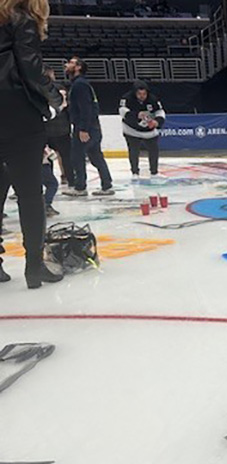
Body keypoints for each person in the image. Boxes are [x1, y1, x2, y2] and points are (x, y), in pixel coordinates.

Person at [0, 0, 64, 288]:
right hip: (19, 116)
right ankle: (34, 267)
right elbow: (30, 67)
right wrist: (55, 98)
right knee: (29, 194)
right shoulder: (21, 18)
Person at [64, 56, 114, 196]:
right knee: (96, 156)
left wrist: (83, 129)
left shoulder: (79, 85)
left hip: (86, 128)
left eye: (71, 63)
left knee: (77, 156)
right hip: (93, 127)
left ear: (78, 67)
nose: (67, 65)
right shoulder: (82, 84)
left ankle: (80, 187)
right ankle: (107, 184)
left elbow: (86, 108)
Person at [119, 79, 166, 179]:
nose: (142, 96)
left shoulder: (153, 99)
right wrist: (136, 115)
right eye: (139, 93)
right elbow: (122, 111)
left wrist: (157, 122)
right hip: (131, 130)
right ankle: (135, 173)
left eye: (144, 93)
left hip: (149, 131)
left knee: (154, 150)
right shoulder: (127, 98)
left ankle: (154, 172)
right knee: (134, 151)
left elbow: (160, 112)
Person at [44, 66, 73, 188]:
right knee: (66, 156)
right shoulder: (60, 87)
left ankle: (47, 180)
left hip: (45, 129)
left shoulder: (38, 88)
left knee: (46, 157)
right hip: (62, 128)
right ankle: (69, 179)